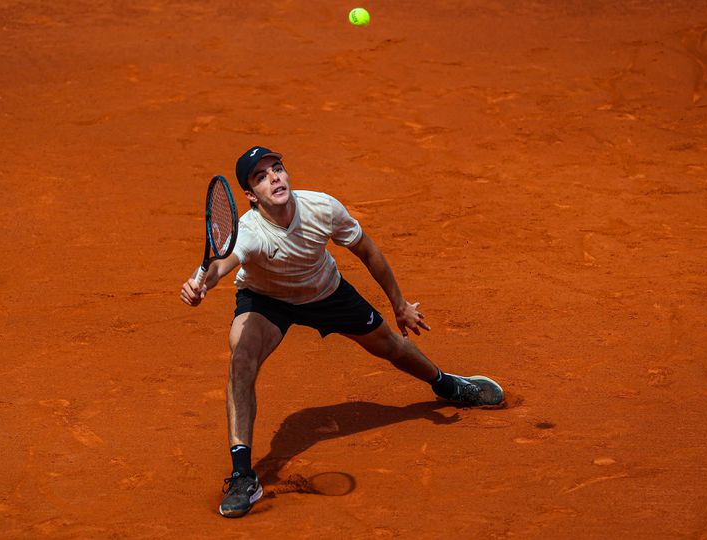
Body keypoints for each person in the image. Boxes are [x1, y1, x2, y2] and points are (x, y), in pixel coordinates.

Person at [179, 146, 504, 518]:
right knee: (241, 359)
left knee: (391, 347)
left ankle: (446, 384)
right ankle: (242, 476)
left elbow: (366, 250)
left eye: (278, 169)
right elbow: (222, 263)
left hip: (325, 292)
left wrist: (399, 304)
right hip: (267, 300)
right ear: (252, 196)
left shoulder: (322, 208)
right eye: (261, 177)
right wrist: (199, 283)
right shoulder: (251, 232)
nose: (274, 178)